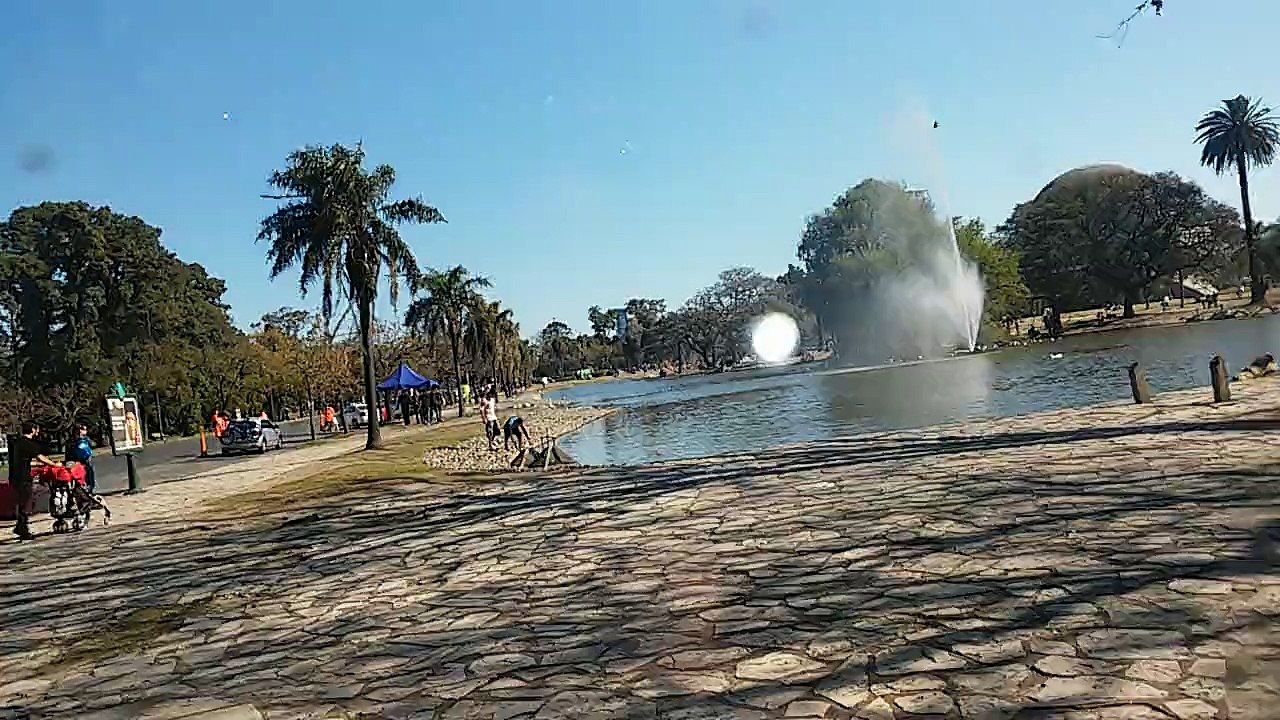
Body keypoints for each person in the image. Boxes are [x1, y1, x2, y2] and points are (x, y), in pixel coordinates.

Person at [9, 423, 55, 540]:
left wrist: (38, 465)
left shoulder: (17, 443)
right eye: (37, 429)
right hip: (23, 477)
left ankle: (20, 527)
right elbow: (40, 457)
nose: (38, 432)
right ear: (33, 430)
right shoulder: (29, 444)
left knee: (22, 502)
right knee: (26, 502)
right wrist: (55, 465)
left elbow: (25, 461)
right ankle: (22, 528)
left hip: (14, 477)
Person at [65, 423, 96, 494]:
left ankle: (89, 489)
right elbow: (70, 453)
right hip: (76, 462)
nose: (85, 431)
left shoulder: (86, 440)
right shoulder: (72, 441)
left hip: (85, 461)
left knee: (89, 474)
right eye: (83, 429)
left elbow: (92, 445)